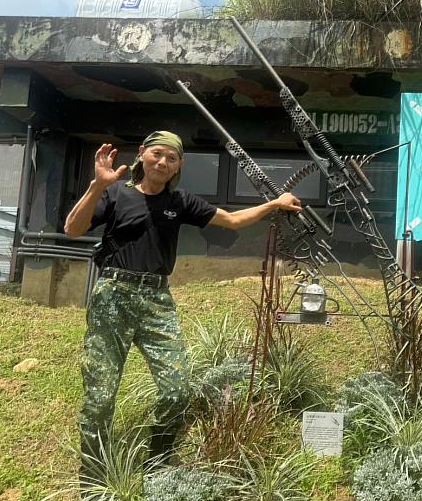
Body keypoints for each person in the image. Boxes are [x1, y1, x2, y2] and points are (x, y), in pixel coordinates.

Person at [64, 131, 301, 481]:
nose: (162, 162)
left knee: (177, 390)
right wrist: (97, 185)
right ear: (143, 154)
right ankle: (94, 474)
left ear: (179, 165)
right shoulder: (115, 193)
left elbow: (231, 220)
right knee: (100, 396)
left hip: (157, 299)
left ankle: (158, 463)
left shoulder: (181, 201)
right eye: (157, 154)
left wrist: (273, 204)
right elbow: (72, 229)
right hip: (113, 295)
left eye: (171, 157)